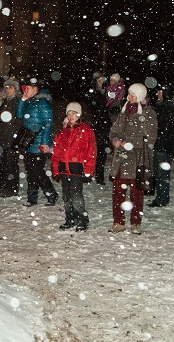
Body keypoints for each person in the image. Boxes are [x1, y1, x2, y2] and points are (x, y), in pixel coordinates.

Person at [108, 83, 157, 234]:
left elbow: (150, 137)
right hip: (121, 159)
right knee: (118, 192)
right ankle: (118, 222)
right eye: (129, 94)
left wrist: (130, 143)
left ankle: (136, 222)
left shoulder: (148, 113)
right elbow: (114, 129)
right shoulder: (124, 111)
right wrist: (115, 139)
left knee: (137, 193)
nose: (130, 97)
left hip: (137, 159)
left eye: (133, 95)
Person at [52, 102, 96, 231]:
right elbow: (57, 152)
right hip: (65, 168)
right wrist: (55, 167)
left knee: (76, 195)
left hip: (76, 168)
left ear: (79, 115)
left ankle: (82, 219)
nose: (71, 116)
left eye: (74, 114)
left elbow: (91, 151)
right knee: (66, 196)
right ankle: (70, 218)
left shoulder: (86, 131)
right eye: (69, 114)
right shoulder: (63, 132)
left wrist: (89, 168)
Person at [16, 78, 58, 207]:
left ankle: (52, 194)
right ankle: (32, 198)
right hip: (29, 142)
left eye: (27, 88)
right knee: (30, 171)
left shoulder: (43, 102)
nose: (25, 90)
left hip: (39, 143)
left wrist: (45, 143)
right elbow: (18, 115)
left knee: (37, 171)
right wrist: (22, 100)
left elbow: (48, 123)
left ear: (35, 89)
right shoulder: (30, 102)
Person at [149, 85, 174, 207]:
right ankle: (162, 197)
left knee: (161, 173)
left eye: (160, 92)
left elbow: (161, 127)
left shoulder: (163, 108)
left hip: (162, 145)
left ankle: (161, 198)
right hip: (167, 145)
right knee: (163, 173)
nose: (158, 94)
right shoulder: (172, 107)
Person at [0, 78, 23, 197]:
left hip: (12, 137)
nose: (8, 90)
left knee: (12, 164)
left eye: (10, 87)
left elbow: (17, 121)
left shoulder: (17, 102)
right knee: (5, 163)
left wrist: (15, 136)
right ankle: (6, 185)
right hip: (4, 136)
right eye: (6, 87)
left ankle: (12, 187)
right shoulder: (6, 102)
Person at [86, 71, 110, 185]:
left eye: (102, 81)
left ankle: (98, 176)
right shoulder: (96, 94)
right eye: (99, 81)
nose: (101, 83)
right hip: (98, 126)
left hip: (103, 126)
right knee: (97, 152)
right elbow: (96, 109)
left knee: (101, 152)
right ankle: (94, 175)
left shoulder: (104, 93)